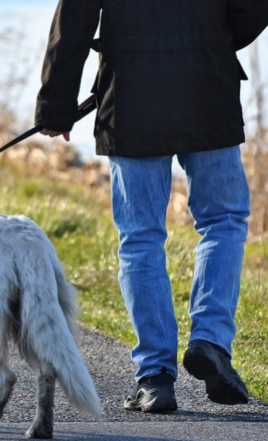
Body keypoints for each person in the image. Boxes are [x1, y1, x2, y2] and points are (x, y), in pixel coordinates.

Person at [36, 0, 268, 413]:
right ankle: (211, 340)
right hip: (206, 84)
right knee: (223, 220)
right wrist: (212, 41)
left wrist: (56, 104)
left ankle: (155, 378)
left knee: (140, 236)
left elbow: (74, 18)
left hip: (130, 95)